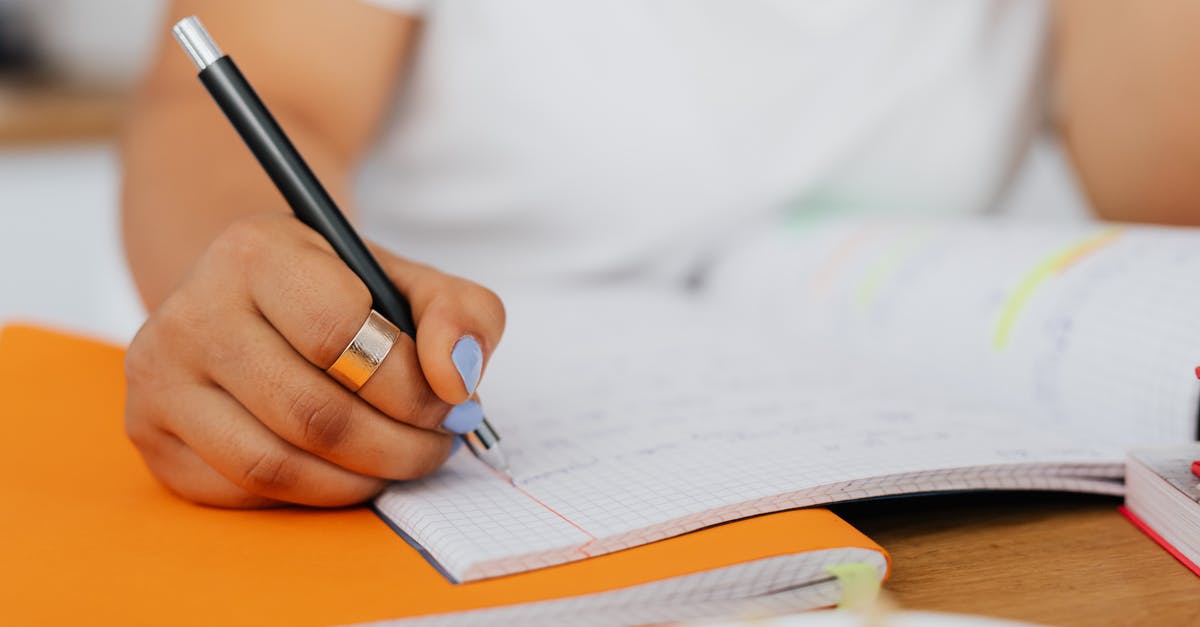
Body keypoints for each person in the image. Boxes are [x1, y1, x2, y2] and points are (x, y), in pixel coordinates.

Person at [119, 0, 1200, 508]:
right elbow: (240, 97)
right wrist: (265, 289)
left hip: (913, 482)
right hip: (391, 410)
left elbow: (1168, 186)